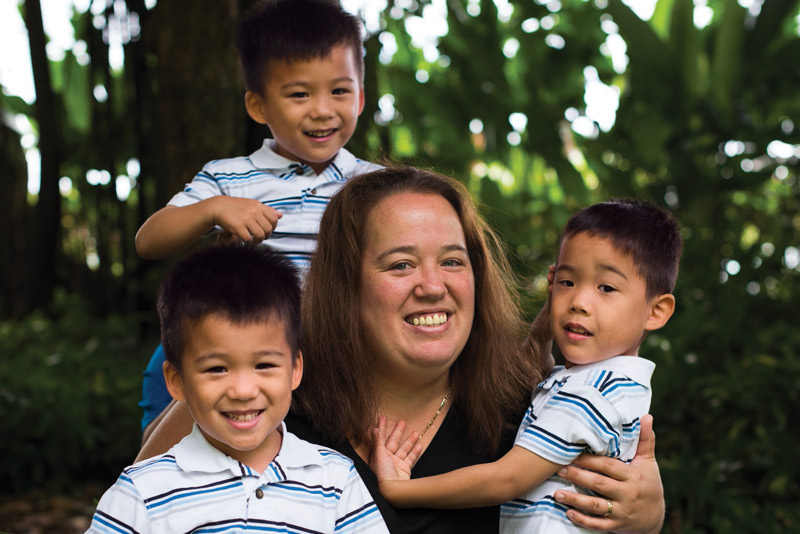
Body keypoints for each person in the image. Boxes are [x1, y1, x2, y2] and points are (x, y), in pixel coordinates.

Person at [138, 167, 666, 534]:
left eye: (453, 262)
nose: (433, 285)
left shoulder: (528, 413)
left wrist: (645, 519)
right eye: (400, 264)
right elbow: (140, 500)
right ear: (347, 285)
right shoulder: (268, 396)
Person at [134, 0, 379, 435]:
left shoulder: (373, 185)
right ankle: (143, 493)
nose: (322, 109)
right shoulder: (230, 177)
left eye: (339, 91)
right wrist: (212, 209)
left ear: (360, 96)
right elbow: (149, 241)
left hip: (330, 359)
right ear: (258, 106)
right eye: (299, 94)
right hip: (233, 352)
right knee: (171, 443)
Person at [369, 199, 682, 534]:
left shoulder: (590, 394)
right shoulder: (596, 381)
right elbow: (531, 371)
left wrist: (399, 490)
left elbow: (506, 479)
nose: (578, 302)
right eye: (567, 282)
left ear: (656, 311)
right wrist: (549, 318)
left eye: (606, 288)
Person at [87, 245, 388, 533]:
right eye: (217, 369)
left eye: (264, 365)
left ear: (295, 369)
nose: (243, 391)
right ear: (176, 381)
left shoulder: (334, 480)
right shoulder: (142, 492)